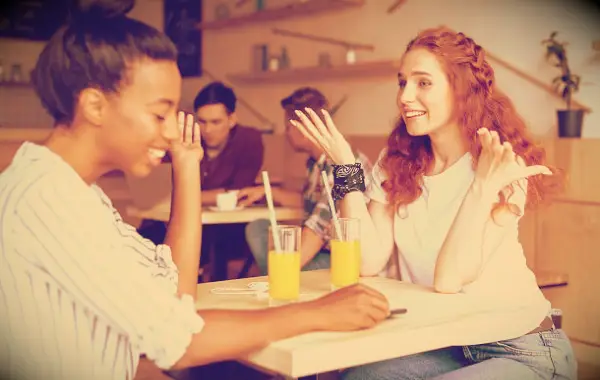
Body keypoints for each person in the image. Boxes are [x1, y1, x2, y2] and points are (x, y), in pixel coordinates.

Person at [0, 1, 391, 379]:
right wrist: (318, 312)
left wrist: (187, 166)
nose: (172, 131)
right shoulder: (47, 200)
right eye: (159, 113)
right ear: (94, 106)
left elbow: (176, 294)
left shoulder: (79, 193)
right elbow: (178, 340)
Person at [292, 26, 577, 380]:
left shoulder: (499, 161)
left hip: (521, 347)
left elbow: (449, 279)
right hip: (447, 343)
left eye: (423, 83)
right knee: (358, 376)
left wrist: (481, 187)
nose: (405, 96)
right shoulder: (397, 161)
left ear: (460, 91)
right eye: (402, 82)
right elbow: (367, 259)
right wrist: (345, 167)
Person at [239, 87, 373, 275]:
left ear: (303, 127)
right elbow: (310, 203)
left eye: (288, 126)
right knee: (258, 229)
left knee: (272, 246)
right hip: (321, 250)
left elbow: (317, 232)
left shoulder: (343, 164)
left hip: (341, 260)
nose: (285, 133)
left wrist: (282, 273)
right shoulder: (315, 163)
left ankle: (278, 279)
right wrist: (266, 191)